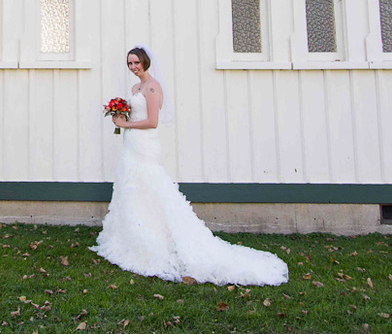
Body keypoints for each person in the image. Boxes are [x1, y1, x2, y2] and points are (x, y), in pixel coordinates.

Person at [90, 47, 288, 286]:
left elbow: (153, 122)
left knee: (149, 184)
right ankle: (131, 237)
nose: (133, 67)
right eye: (129, 63)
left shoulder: (152, 87)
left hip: (145, 144)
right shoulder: (135, 89)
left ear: (145, 62)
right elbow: (135, 117)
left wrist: (127, 125)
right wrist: (120, 118)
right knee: (132, 186)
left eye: (136, 63)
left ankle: (156, 240)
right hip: (131, 144)